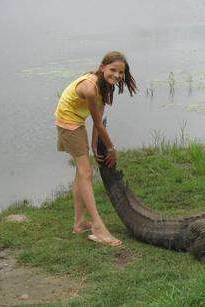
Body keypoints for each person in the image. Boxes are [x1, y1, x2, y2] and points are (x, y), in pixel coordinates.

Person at [54, 51, 137, 246]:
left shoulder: (106, 86)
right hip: (68, 123)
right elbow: (99, 124)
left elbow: (97, 118)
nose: (117, 75)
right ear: (102, 68)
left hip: (78, 121)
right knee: (86, 172)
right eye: (112, 70)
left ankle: (79, 223)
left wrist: (93, 143)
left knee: (80, 174)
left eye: (120, 72)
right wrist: (111, 148)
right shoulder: (90, 88)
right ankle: (98, 228)